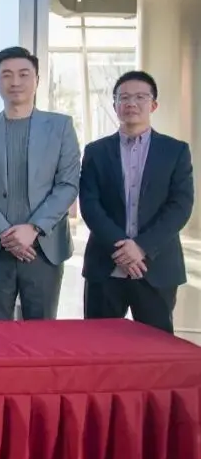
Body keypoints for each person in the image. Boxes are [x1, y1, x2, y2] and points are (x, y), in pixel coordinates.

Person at [0, 46, 80, 321]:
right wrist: (5, 233)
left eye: (23, 74)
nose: (15, 81)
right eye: (6, 75)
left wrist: (34, 228)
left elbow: (68, 184)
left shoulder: (61, 126)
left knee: (41, 331)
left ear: (37, 80)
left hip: (44, 247)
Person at [79, 70, 194, 334]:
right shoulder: (96, 151)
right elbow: (90, 204)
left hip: (156, 266)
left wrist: (141, 247)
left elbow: (180, 206)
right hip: (105, 265)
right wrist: (122, 248)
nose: (131, 103)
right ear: (115, 105)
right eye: (124, 97)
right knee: (98, 344)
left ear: (153, 105)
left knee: (156, 348)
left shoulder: (175, 151)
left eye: (140, 97)